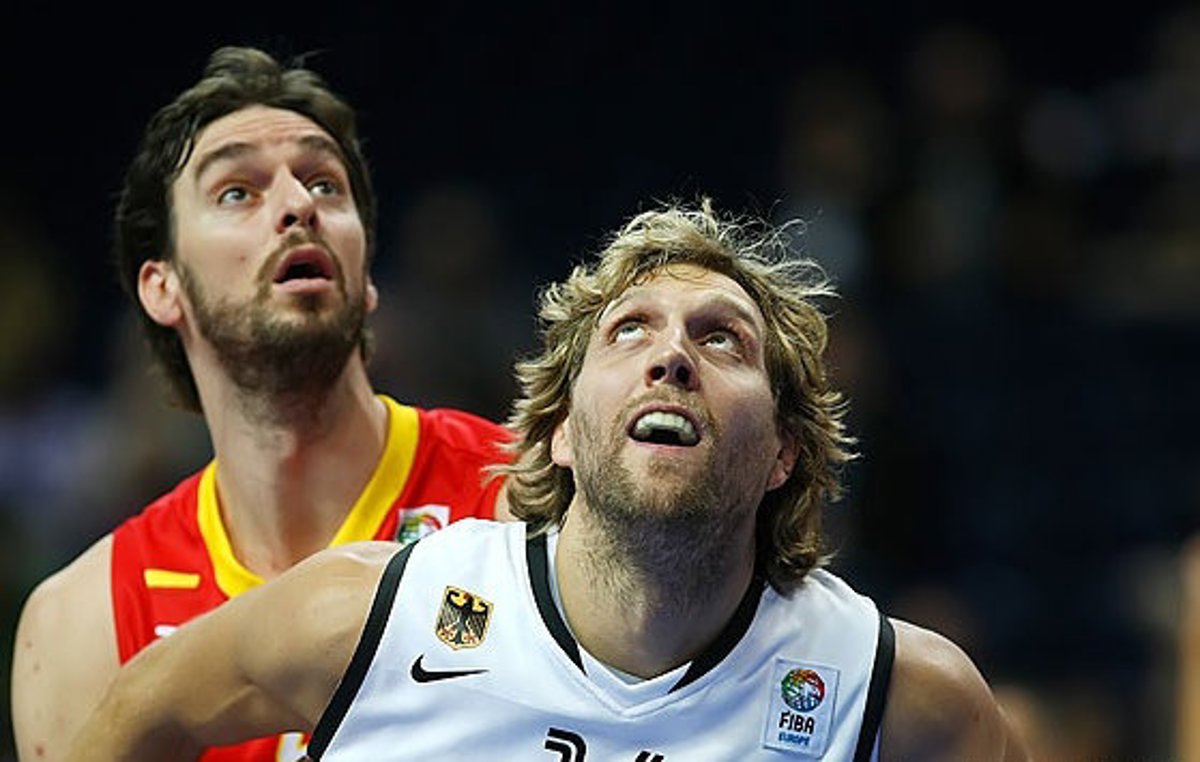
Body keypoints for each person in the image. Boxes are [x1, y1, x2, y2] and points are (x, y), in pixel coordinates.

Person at [64, 199, 1028, 760]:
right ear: (561, 432)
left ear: (784, 451)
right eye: (630, 331)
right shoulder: (363, 619)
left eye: (722, 340)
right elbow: (137, 718)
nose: (672, 357)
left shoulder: (893, 692)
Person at [12, 46, 512, 762]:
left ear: (366, 274)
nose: (299, 205)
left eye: (325, 184)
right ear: (163, 287)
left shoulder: (522, 500)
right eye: (237, 192)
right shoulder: (79, 628)